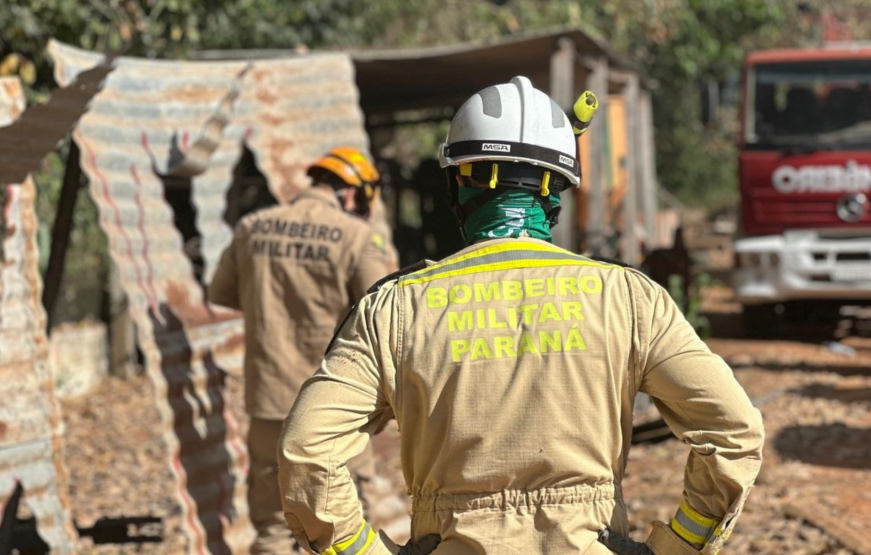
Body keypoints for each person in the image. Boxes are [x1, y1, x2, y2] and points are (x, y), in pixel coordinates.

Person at [278, 77, 764, 555]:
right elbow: (734, 431)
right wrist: (676, 546)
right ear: (556, 194)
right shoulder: (629, 298)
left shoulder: (394, 309)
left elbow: (306, 451)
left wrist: (362, 551)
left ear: (456, 184)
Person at [209, 147, 390, 554]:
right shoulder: (357, 238)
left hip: (269, 402)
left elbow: (224, 293)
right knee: (344, 528)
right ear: (351, 195)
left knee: (274, 528)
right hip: (335, 407)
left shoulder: (253, 227)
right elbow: (384, 312)